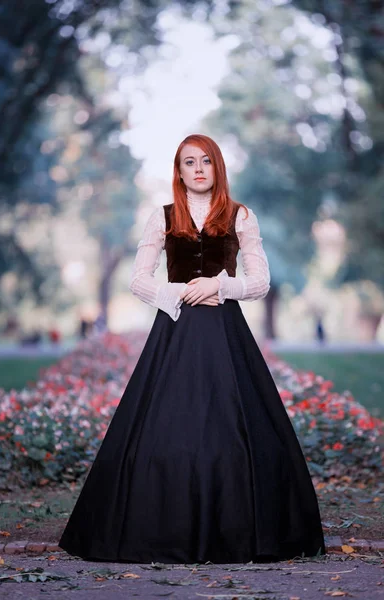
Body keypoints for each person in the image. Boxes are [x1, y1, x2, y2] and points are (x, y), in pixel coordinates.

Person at [58, 134, 326, 564]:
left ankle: (236, 531)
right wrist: (180, 292)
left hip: (224, 332)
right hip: (176, 330)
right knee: (166, 424)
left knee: (234, 426)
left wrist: (219, 284)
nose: (198, 169)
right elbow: (137, 279)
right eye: (189, 162)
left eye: (206, 161)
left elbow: (260, 281)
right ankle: (162, 531)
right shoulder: (162, 217)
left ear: (217, 167)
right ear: (178, 171)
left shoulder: (241, 216)